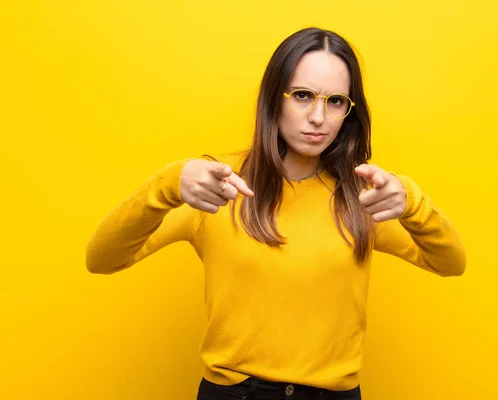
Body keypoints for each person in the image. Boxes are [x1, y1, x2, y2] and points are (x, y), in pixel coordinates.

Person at [86, 27, 466, 400]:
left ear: (349, 112)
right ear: (274, 98)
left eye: (335, 101)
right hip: (235, 393)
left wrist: (413, 202)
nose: (318, 117)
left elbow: (450, 262)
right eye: (302, 95)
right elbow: (102, 259)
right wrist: (167, 185)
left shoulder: (362, 195)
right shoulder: (218, 183)